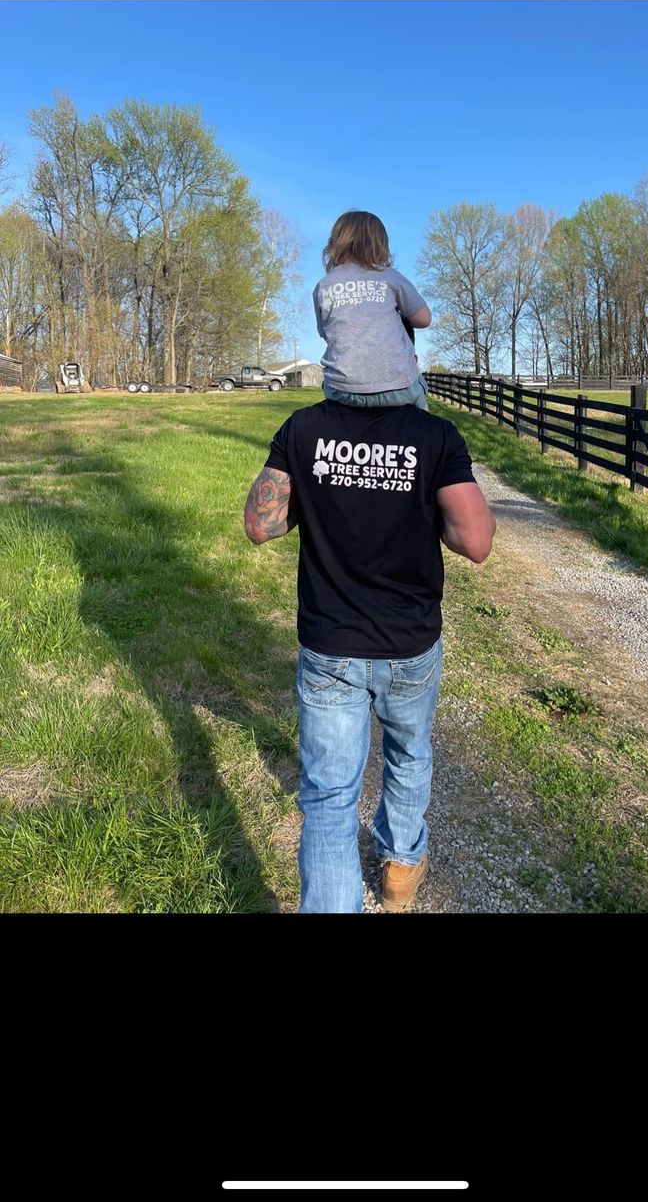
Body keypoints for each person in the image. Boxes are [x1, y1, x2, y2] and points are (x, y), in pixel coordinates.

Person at [243, 393, 496, 914]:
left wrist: (321, 492)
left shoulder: (303, 428)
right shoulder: (435, 435)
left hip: (330, 644)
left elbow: (260, 525)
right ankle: (400, 868)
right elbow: (476, 540)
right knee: (407, 751)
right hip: (409, 642)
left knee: (330, 797)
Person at [313, 210, 432, 411]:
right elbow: (424, 319)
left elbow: (325, 333)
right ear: (380, 245)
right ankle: (424, 434)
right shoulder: (390, 277)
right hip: (397, 386)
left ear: (335, 244)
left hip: (341, 389)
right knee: (422, 413)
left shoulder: (324, 285)